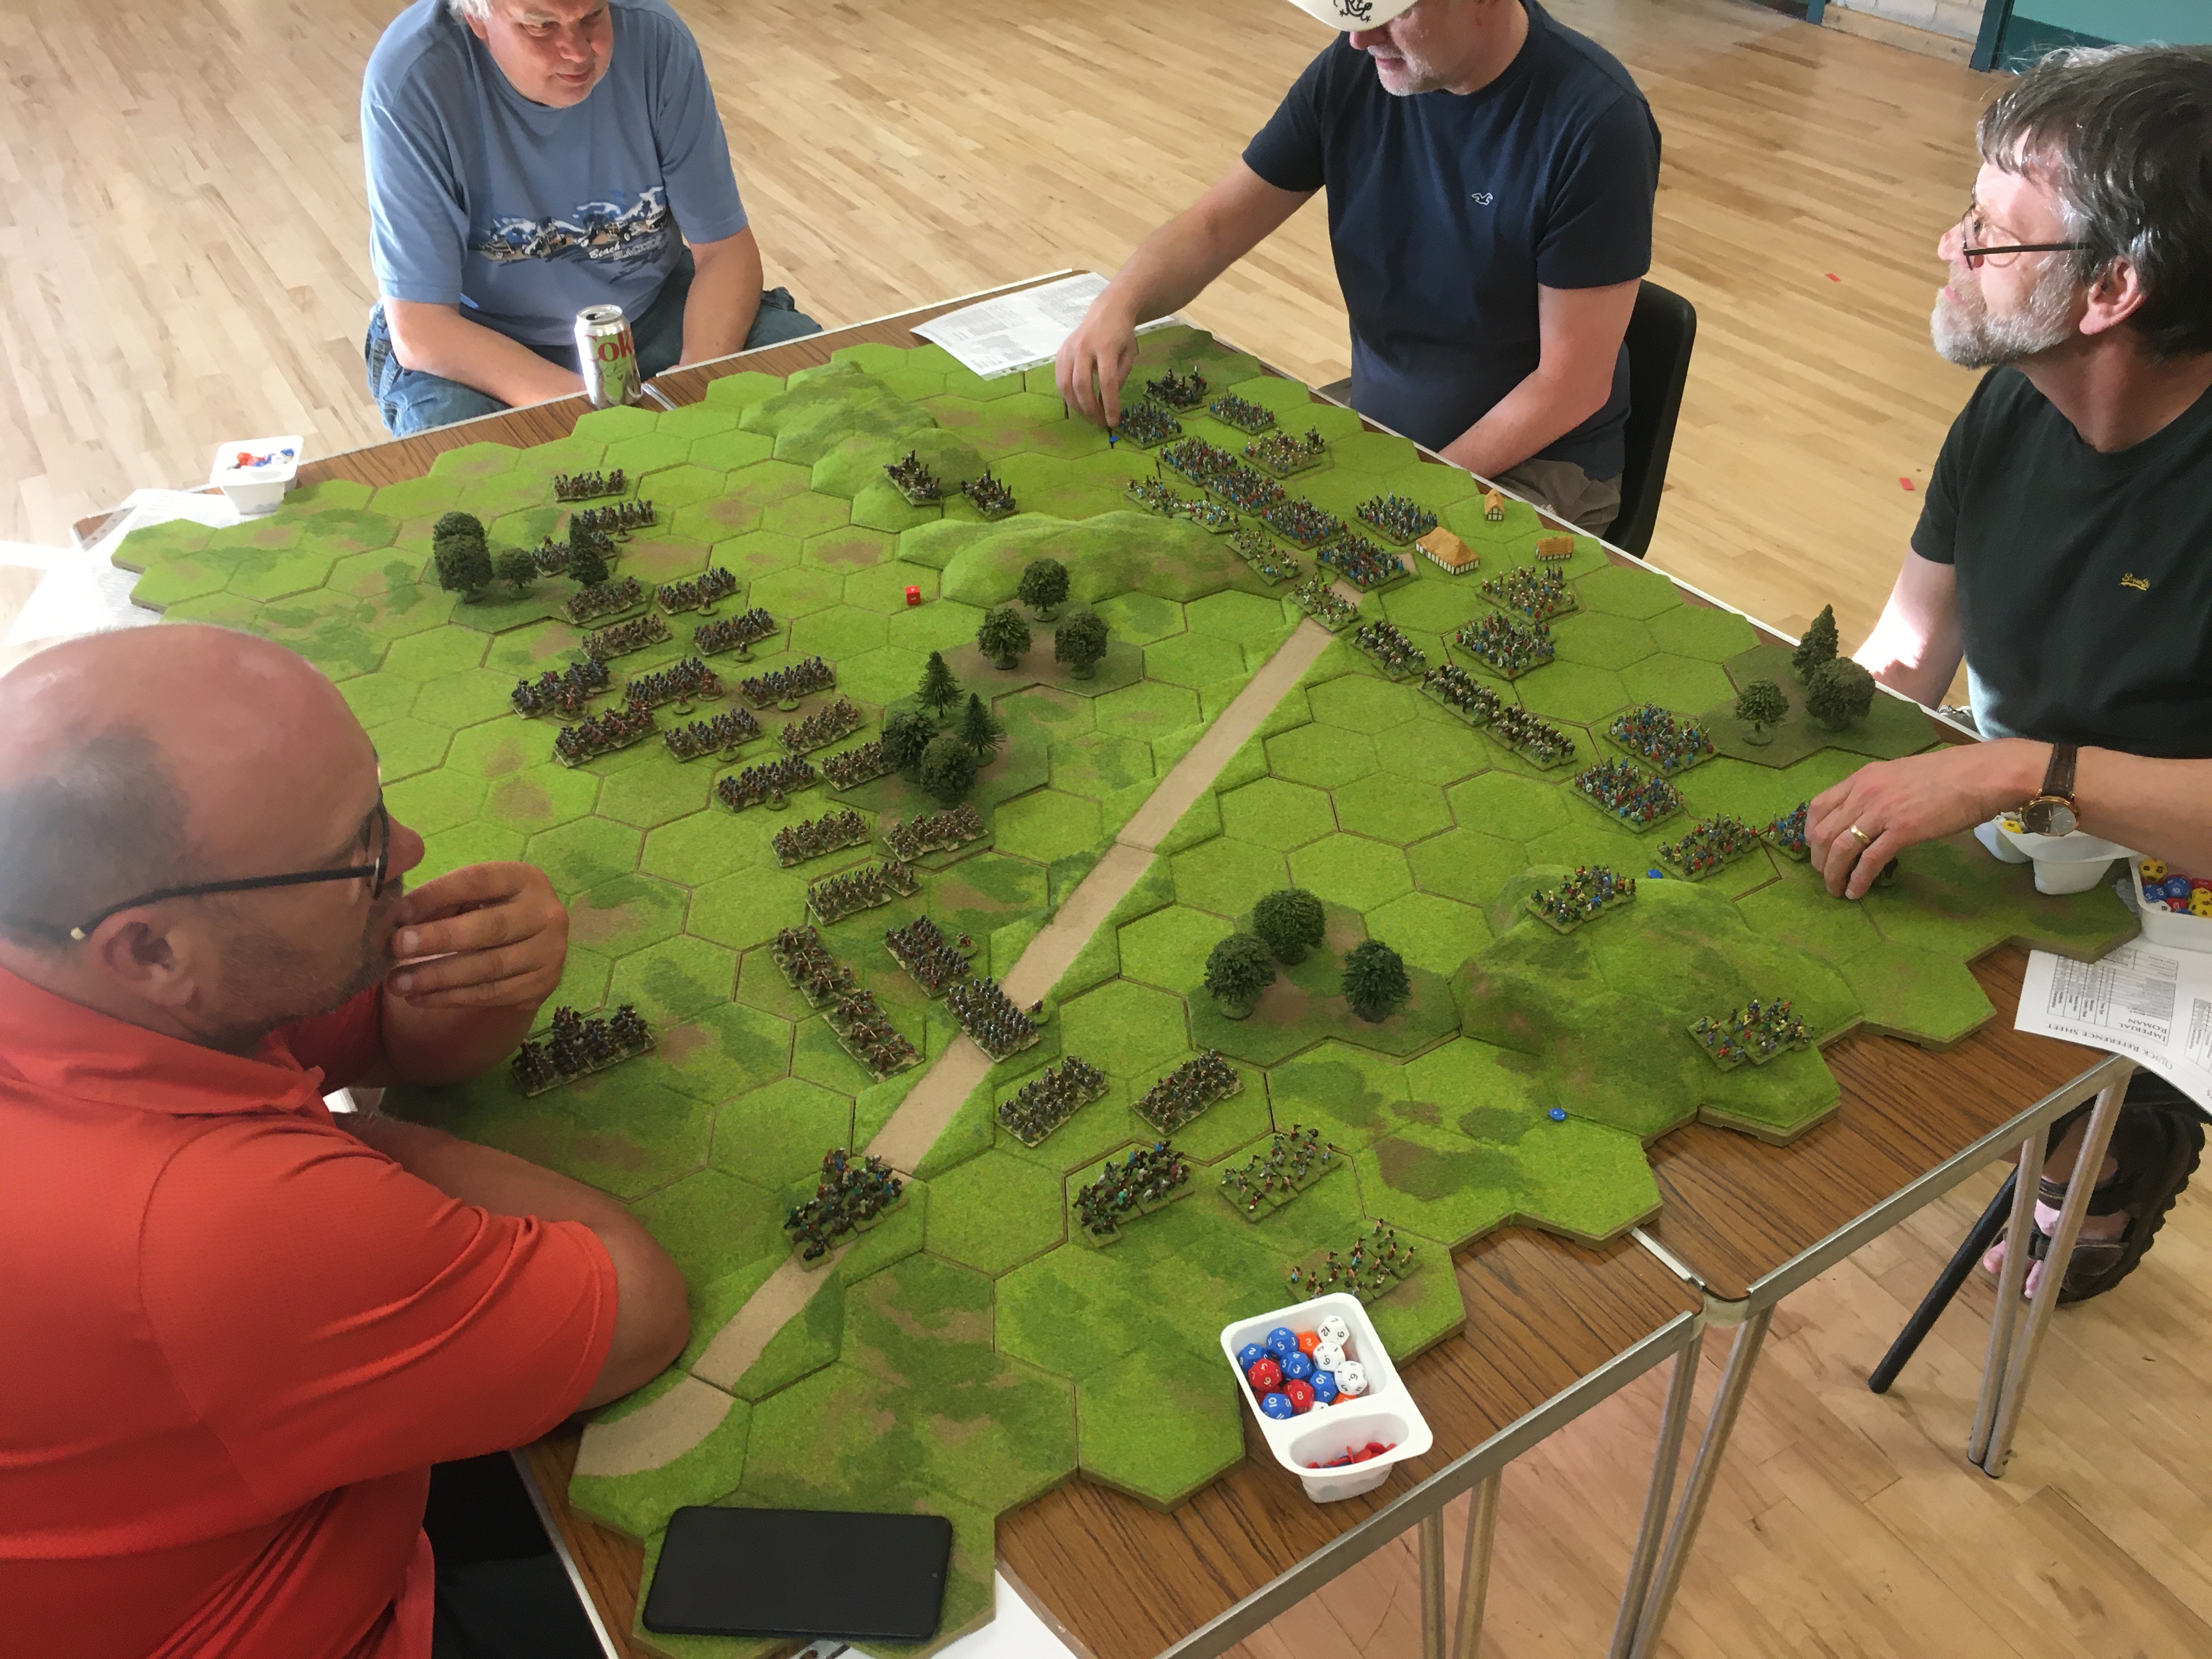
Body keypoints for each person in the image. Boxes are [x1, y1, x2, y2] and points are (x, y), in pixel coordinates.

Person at [0, 624, 690, 1656]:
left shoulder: (91, 961)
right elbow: (636, 1308)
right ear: (149, 949)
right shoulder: (212, 1228)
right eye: (355, 854)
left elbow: (373, 1037)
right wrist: (351, 1146)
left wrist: (472, 989)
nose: (406, 851)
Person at [1807, 45, 2212, 1301]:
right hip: (2028, 808)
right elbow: (1909, 647)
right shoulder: (2011, 402)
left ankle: (2124, 1153)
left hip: (2170, 863)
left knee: (2052, 1080)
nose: (1951, 247)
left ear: (2114, 290)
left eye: (1991, 234)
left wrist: (2017, 772)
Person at [1057, 0, 1660, 534]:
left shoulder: (1597, 122)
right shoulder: (1355, 71)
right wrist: (1119, 304)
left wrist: (1416, 482)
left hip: (1534, 464)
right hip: (1382, 420)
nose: (1360, 37)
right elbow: (1215, 225)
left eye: (1395, 13)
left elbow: (1570, 385)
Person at [360, 0, 820, 437]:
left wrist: (693, 384)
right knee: (458, 449)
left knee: (813, 378)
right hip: (483, 338)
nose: (579, 51)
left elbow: (724, 251)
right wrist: (599, 413)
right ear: (478, 18)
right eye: (541, 26)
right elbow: (422, 328)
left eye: (594, 15)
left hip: (650, 305)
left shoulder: (657, 38)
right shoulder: (412, 79)